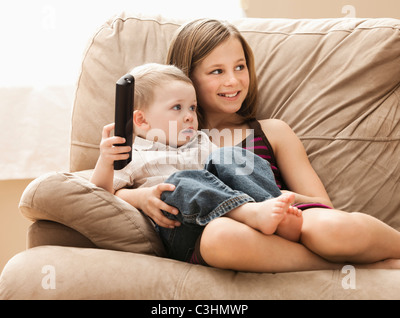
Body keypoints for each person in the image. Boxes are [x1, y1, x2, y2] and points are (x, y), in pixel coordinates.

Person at [116, 19, 400, 273]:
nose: (233, 80)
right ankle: (349, 269)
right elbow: (101, 184)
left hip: (288, 218)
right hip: (231, 232)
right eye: (216, 71)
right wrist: (139, 197)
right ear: (185, 79)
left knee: (330, 227)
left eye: (240, 67)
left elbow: (323, 205)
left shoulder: (272, 131)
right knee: (220, 237)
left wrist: (278, 199)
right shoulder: (165, 140)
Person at [90, 63, 303, 263]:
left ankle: (275, 211)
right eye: (177, 108)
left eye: (192, 108)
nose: (190, 116)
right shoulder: (132, 154)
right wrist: (106, 161)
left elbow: (229, 173)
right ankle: (251, 213)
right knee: (182, 182)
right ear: (142, 120)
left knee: (231, 156)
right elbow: (101, 195)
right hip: (183, 232)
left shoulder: (201, 141)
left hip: (222, 216)